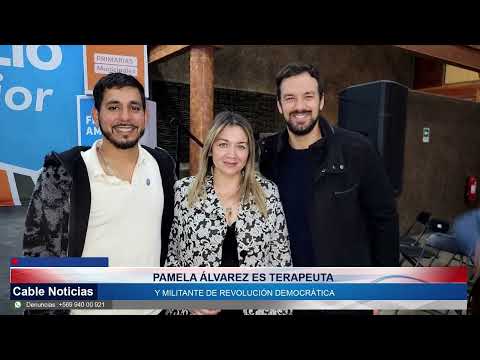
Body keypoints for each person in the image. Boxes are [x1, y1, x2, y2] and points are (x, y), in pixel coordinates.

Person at [23, 72, 176, 315]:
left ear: (145, 116)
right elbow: (38, 254)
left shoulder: (162, 164)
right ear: (96, 115)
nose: (125, 117)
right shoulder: (62, 174)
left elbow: (171, 236)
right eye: (113, 107)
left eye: (134, 107)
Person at [259, 63, 399, 315]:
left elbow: (384, 220)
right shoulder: (267, 154)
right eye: (290, 98)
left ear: (321, 100)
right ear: (279, 105)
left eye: (308, 96)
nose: (300, 106)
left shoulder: (357, 150)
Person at [165, 111, 291, 316]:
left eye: (241, 146)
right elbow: (173, 261)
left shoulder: (268, 193)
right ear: (210, 149)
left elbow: (282, 264)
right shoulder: (183, 191)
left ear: (249, 152)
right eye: (223, 144)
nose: (232, 154)